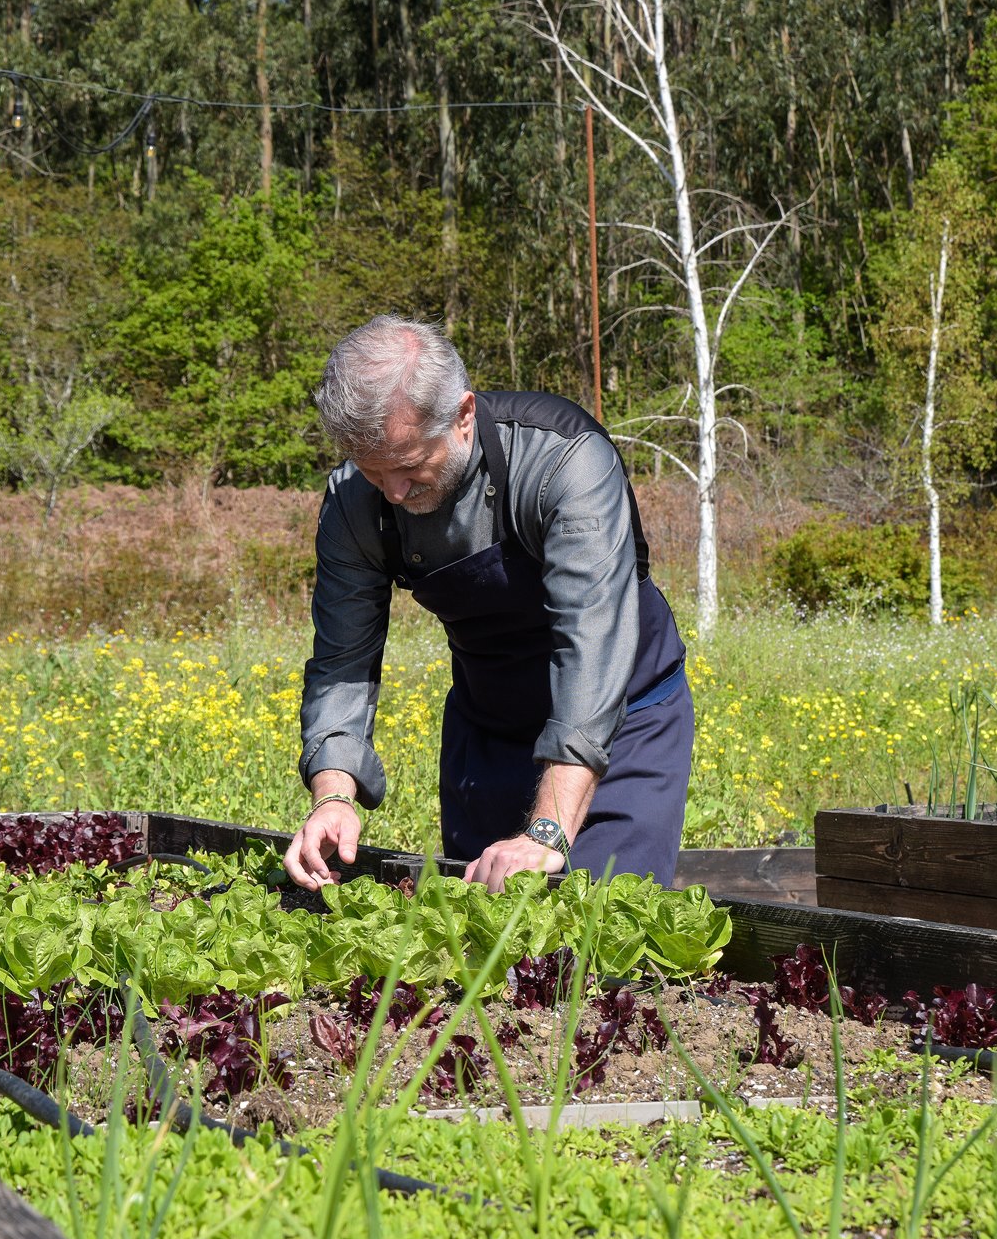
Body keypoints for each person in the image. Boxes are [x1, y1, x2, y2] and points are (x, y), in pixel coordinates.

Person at [282, 315, 693, 893]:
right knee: (481, 947)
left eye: (406, 467)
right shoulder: (355, 501)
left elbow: (592, 645)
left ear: (464, 415)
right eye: (373, 471)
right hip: (492, 730)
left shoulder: (562, 461)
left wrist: (547, 831)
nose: (393, 492)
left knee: (600, 942)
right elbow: (342, 661)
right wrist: (332, 794)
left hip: (623, 721)